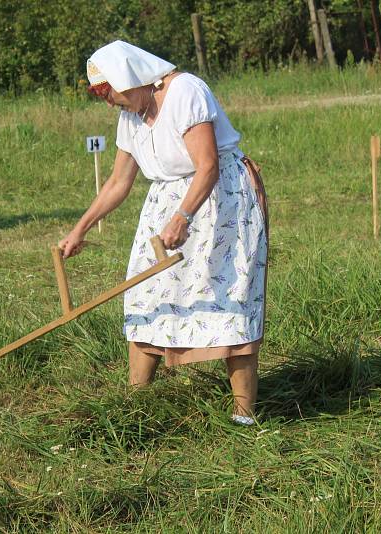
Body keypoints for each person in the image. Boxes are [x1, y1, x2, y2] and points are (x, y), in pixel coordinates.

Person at [59, 41, 269, 426]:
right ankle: (135, 407)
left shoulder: (185, 91)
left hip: (218, 200)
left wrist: (183, 217)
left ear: (132, 77)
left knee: (224, 294)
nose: (112, 105)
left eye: (114, 95)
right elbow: (118, 182)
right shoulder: (133, 114)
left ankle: (243, 417)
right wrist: (79, 229)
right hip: (167, 205)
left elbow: (207, 166)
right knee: (145, 293)